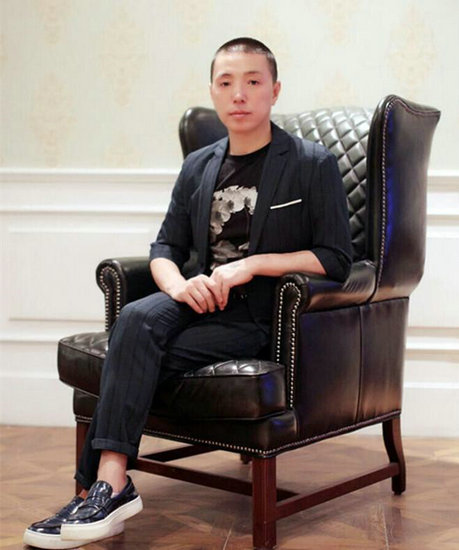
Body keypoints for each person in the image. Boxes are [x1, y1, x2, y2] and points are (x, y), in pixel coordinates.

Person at [23, 37, 352, 549]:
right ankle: (109, 486)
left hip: (258, 316)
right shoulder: (199, 164)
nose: (239, 94)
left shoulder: (312, 163)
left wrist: (252, 265)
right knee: (136, 319)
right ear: (213, 92)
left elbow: (335, 258)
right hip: (196, 302)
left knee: (132, 353)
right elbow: (165, 247)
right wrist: (179, 284)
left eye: (253, 81)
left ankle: (94, 490)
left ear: (274, 90)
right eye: (226, 83)